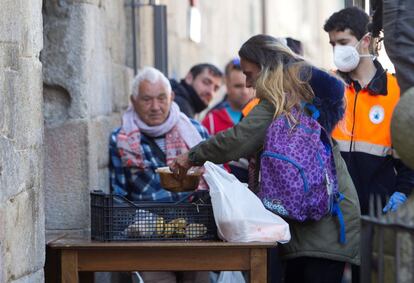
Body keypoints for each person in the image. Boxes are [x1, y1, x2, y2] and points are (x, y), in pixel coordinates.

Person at [170, 34, 360, 283]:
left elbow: (238, 139)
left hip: (324, 229)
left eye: (250, 73)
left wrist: (192, 156)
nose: (248, 83)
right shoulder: (296, 97)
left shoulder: (279, 100)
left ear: (265, 67)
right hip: (323, 222)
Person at [324, 7, 414, 282]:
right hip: (330, 218)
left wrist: (400, 194)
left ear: (366, 40)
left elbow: (409, 154)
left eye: (343, 43)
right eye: (332, 44)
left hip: (377, 215)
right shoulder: (328, 88)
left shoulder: (396, 91)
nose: (337, 50)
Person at [109, 66, 210, 283]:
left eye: (162, 98)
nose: (155, 107)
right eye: (147, 99)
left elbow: (212, 183)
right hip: (147, 239)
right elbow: (118, 194)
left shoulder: (196, 132)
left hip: (194, 234)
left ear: (172, 97)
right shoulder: (121, 139)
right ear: (133, 100)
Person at [201, 58, 255, 182]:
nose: (245, 91)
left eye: (249, 85)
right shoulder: (212, 120)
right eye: (238, 86)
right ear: (227, 85)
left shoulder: (264, 116)